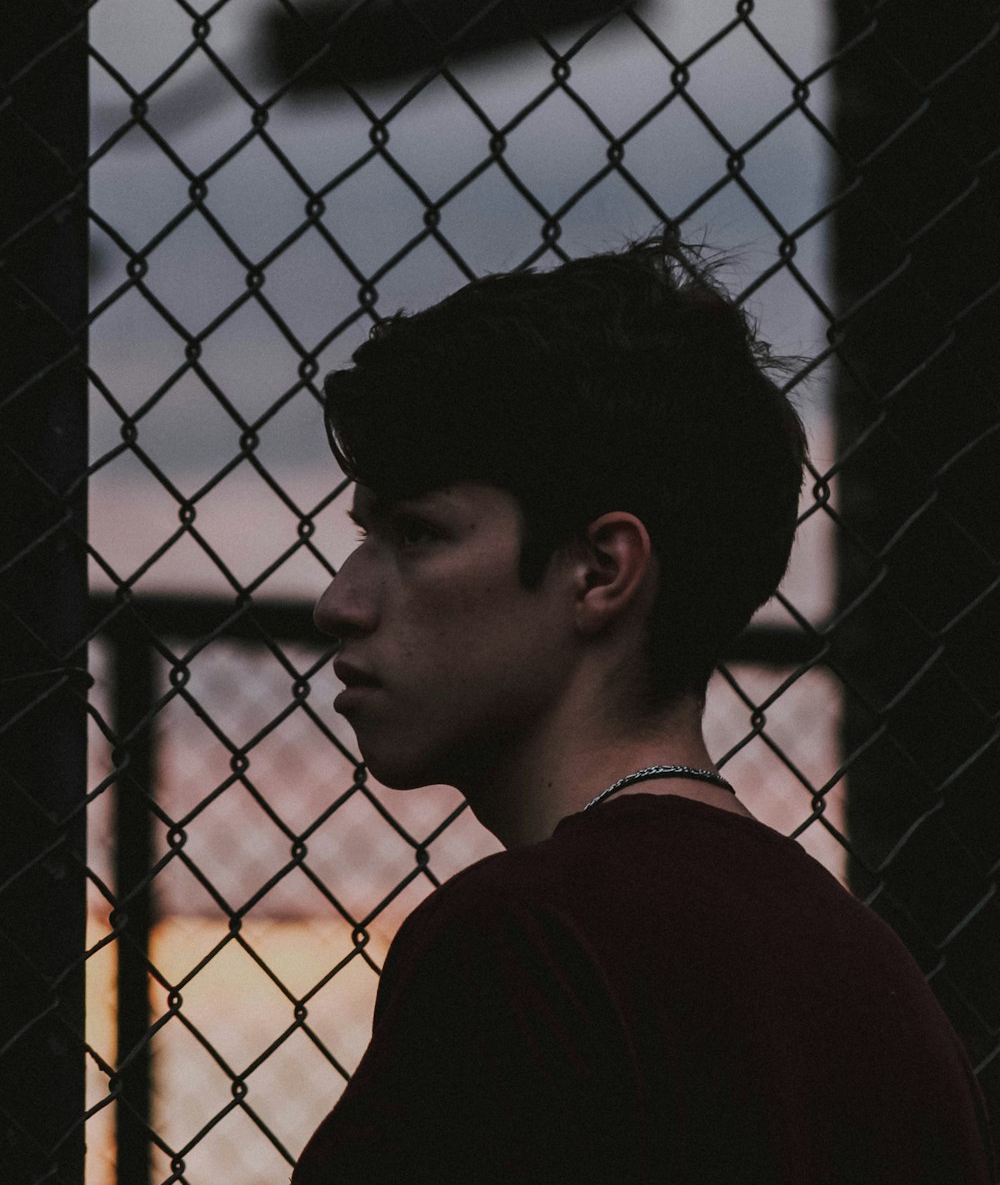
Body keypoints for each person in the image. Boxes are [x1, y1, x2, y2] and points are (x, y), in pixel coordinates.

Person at [293, 234, 995, 1184]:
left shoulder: (524, 946)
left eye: (416, 533)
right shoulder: (877, 980)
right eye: (363, 535)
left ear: (602, 570)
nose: (340, 600)